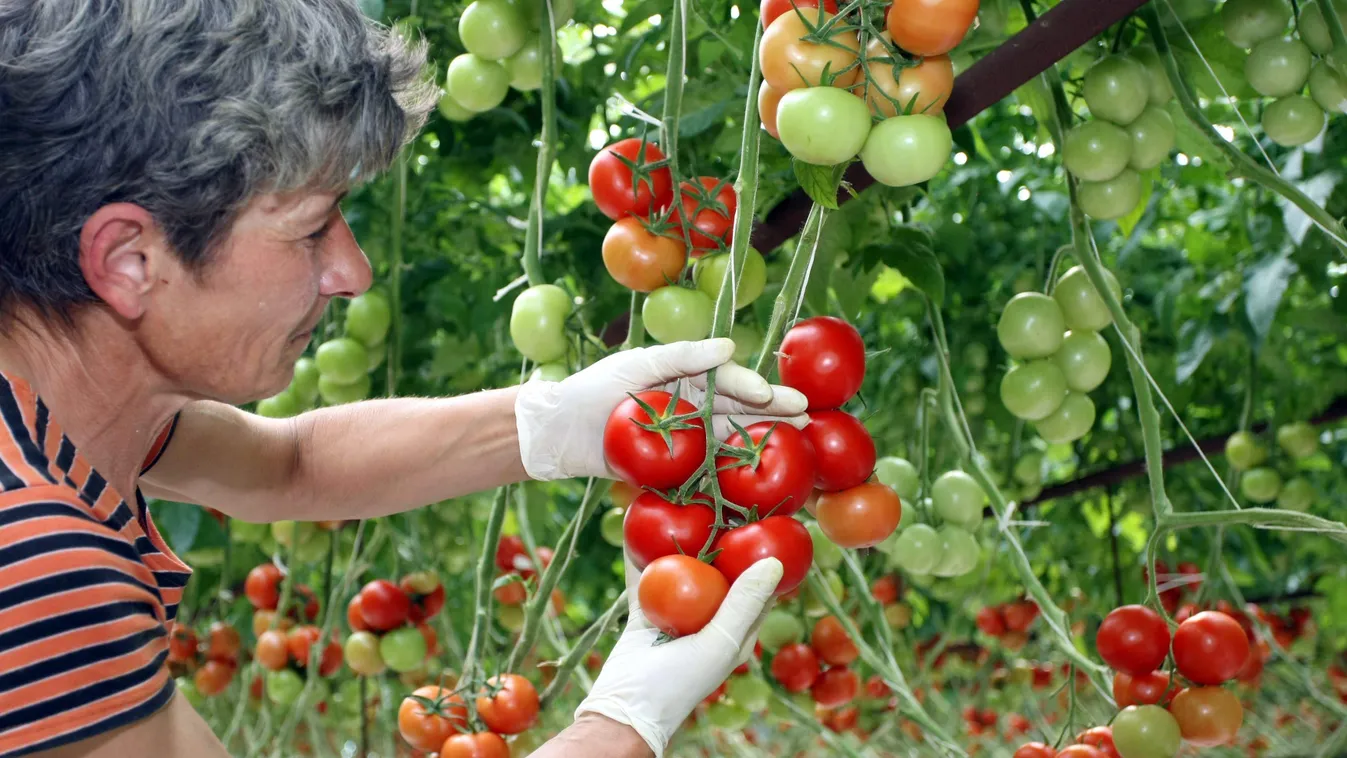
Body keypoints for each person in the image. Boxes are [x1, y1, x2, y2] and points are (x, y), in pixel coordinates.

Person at [0, 2, 808, 757]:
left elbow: (290, 465)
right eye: (313, 228)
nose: (354, 271)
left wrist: (559, 420)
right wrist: (624, 723)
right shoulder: (35, 571)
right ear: (129, 261)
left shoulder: (65, 406)